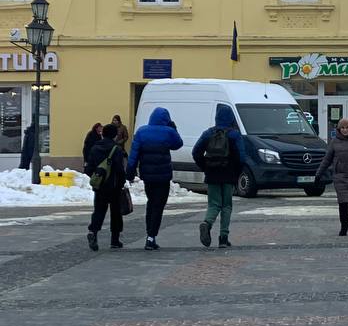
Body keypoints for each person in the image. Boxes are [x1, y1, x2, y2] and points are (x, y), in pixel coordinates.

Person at [126, 107, 183, 250]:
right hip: (163, 176)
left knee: (151, 202)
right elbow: (178, 144)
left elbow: (133, 155)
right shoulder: (168, 132)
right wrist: (173, 128)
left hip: (147, 175)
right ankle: (151, 236)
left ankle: (149, 233)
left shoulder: (141, 132)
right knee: (159, 205)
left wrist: (130, 172)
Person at [192, 104, 247, 248]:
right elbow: (242, 157)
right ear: (231, 118)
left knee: (214, 204)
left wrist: (205, 167)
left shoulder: (208, 133)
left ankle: (207, 223)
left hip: (212, 173)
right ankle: (223, 238)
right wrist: (237, 172)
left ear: (216, 118)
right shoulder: (234, 135)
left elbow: (196, 152)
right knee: (227, 206)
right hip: (229, 174)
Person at [85, 123, 127, 251]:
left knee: (99, 210)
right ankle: (115, 240)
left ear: (102, 134)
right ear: (115, 135)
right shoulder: (117, 149)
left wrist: (97, 176)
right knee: (116, 213)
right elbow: (120, 169)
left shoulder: (95, 148)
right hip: (114, 186)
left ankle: (93, 231)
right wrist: (122, 181)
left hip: (100, 186)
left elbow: (89, 168)